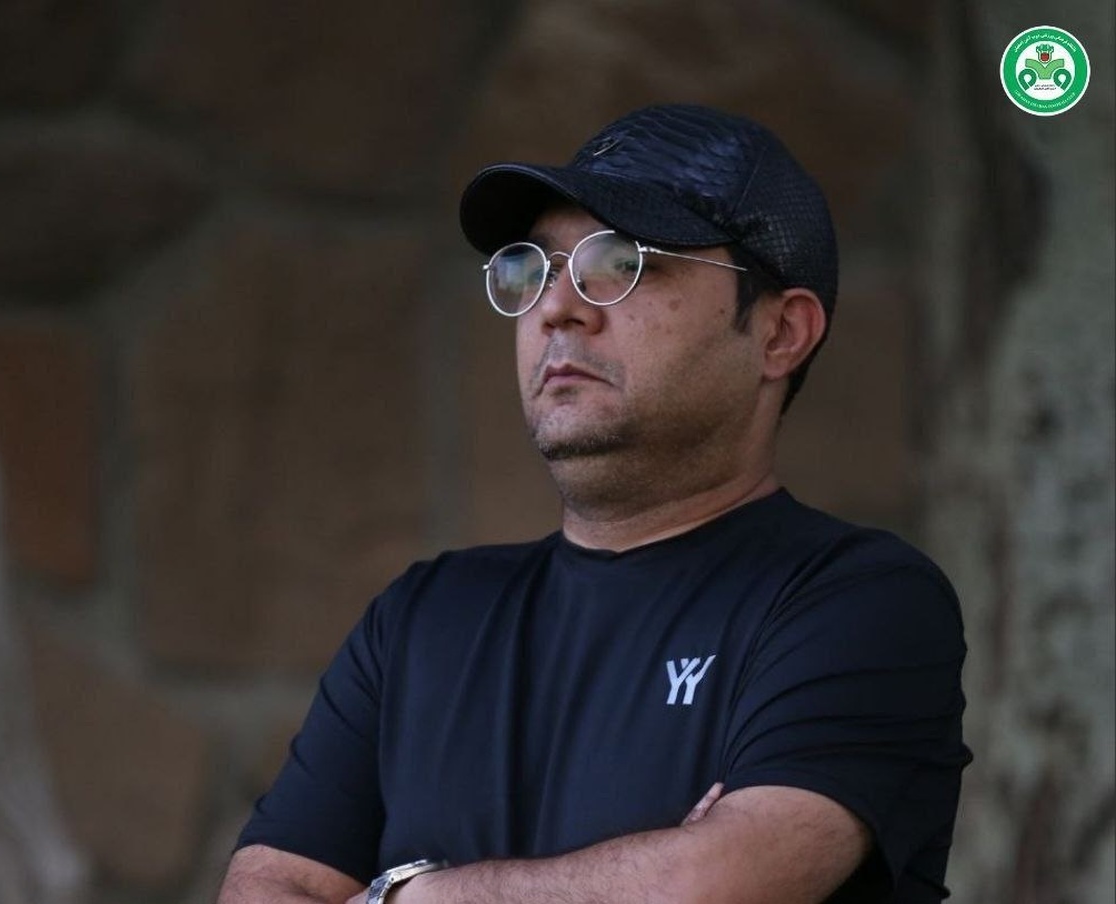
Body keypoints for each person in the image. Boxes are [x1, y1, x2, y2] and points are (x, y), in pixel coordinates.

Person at [216, 104, 971, 904]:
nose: (556, 307)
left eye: (620, 262)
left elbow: (704, 887)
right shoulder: (420, 620)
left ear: (781, 333)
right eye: (534, 269)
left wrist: (399, 895)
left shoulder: (859, 602)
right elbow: (263, 888)